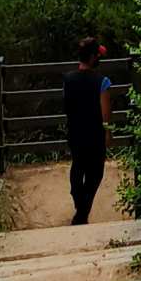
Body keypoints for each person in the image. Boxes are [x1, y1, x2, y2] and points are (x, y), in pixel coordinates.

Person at [62, 36, 112, 225]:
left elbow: (67, 106)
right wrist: (108, 132)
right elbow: (105, 112)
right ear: (92, 57)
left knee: (78, 166)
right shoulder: (102, 82)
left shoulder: (67, 80)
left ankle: (79, 205)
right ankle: (83, 211)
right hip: (95, 134)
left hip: (75, 131)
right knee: (95, 173)